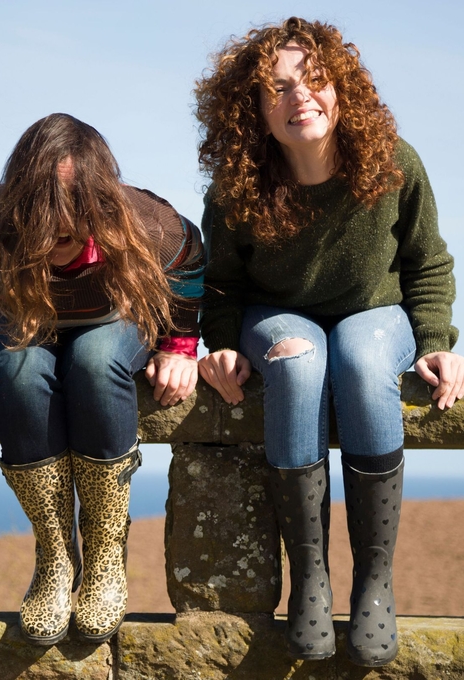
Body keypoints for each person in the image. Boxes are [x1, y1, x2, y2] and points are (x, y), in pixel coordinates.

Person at [195, 17, 464, 667]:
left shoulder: (394, 162)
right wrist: (225, 344)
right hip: (278, 316)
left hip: (374, 312)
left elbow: (428, 264)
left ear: (342, 89)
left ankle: (374, 582)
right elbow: (221, 285)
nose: (299, 98)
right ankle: (309, 580)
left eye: (315, 81)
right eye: (278, 88)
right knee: (298, 362)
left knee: (361, 358)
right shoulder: (237, 188)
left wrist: (434, 340)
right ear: (253, 108)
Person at [0, 113, 204, 645]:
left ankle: (105, 554)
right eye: (38, 224)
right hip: (12, 310)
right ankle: (54, 555)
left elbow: (190, 255)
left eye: (69, 225)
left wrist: (180, 344)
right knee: (21, 371)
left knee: (93, 366)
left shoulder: (150, 226)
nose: (53, 240)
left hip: (111, 312)